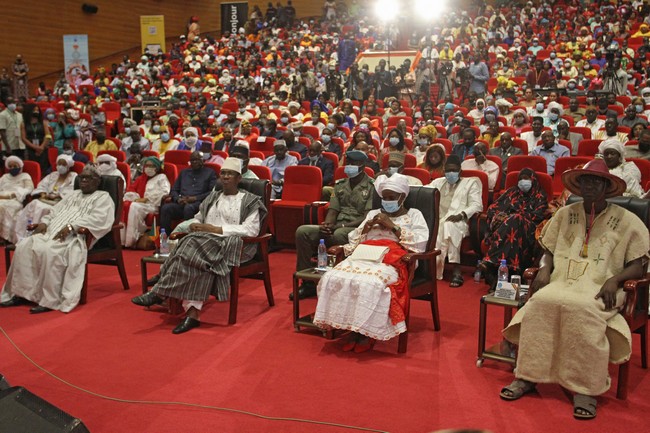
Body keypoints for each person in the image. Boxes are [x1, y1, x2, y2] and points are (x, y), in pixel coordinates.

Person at [499, 159, 649, 420]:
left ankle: (585, 389)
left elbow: (639, 264)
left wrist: (615, 280)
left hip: (603, 286)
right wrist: (544, 269)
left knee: (583, 309)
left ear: (606, 186)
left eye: (596, 181)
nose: (589, 185)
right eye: (585, 181)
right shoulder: (563, 214)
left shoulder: (628, 220)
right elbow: (547, 250)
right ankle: (528, 376)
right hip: (561, 281)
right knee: (538, 304)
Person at [131, 158, 267, 334]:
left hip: (234, 244)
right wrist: (195, 224)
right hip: (204, 244)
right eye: (223, 174)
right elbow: (198, 217)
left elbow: (252, 230)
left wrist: (215, 229)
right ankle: (192, 314)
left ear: (238, 178)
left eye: (230, 174)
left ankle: (161, 290)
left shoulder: (250, 200)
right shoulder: (213, 197)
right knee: (198, 257)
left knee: (189, 242)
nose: (225, 177)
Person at [313, 174, 429, 352]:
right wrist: (367, 228)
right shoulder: (374, 214)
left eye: (391, 198)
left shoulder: (414, 215)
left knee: (371, 283)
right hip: (364, 254)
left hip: (393, 259)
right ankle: (350, 327)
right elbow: (355, 239)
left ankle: (366, 332)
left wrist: (393, 227)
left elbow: (420, 244)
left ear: (402, 197)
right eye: (384, 198)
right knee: (332, 277)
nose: (386, 201)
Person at [0, 165, 114, 313]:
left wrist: (73, 226)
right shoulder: (73, 194)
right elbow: (54, 211)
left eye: (88, 178)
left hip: (74, 237)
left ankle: (50, 300)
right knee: (24, 246)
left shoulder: (103, 197)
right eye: (82, 178)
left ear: (97, 181)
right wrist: (44, 223)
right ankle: (21, 293)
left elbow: (100, 219)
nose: (84, 181)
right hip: (51, 232)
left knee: (50, 251)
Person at [293, 150, 374, 300]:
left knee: (338, 235)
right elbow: (333, 210)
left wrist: (340, 227)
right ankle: (308, 283)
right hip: (337, 226)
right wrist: (327, 224)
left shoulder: (371, 186)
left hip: (358, 228)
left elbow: (367, 217)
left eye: (353, 164)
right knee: (302, 231)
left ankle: (337, 283)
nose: (349, 166)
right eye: (347, 163)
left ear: (362, 166)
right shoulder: (340, 184)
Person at [478, 169, 548, 290]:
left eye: (526, 179)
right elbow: (493, 208)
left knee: (515, 219)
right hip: (507, 229)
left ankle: (491, 262)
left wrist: (514, 217)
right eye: (521, 179)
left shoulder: (539, 195)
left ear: (533, 180)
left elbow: (539, 216)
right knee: (511, 226)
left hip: (529, 230)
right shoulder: (511, 192)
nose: (523, 182)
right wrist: (500, 216)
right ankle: (502, 274)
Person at [428, 155, 483, 287]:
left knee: (450, 226)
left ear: (460, 171)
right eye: (447, 170)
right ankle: (428, 269)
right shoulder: (438, 183)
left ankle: (456, 269)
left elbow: (477, 205)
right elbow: (423, 191)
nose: (450, 173)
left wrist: (462, 214)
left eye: (453, 170)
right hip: (438, 219)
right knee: (438, 225)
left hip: (460, 221)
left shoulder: (470, 183)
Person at [15, 154, 77, 242]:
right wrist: (43, 193)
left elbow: (72, 190)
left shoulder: (73, 176)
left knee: (43, 208)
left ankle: (37, 236)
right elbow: (42, 185)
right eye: (59, 164)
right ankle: (24, 235)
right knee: (33, 203)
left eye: (63, 164)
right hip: (46, 199)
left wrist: (58, 195)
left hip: (59, 202)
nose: (60, 167)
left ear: (68, 166)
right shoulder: (53, 175)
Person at [159, 151, 217, 234]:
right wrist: (178, 199)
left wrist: (195, 198)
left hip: (199, 204)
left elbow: (212, 192)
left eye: (197, 160)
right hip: (181, 203)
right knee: (166, 208)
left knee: (188, 208)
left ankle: (187, 237)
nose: (194, 162)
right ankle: (167, 237)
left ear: (202, 160)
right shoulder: (184, 173)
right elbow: (174, 190)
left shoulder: (210, 173)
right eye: (192, 160)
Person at [122, 156, 170, 247]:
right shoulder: (141, 178)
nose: (148, 168)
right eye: (147, 165)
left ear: (157, 167)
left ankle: (132, 239)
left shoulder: (161, 177)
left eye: (151, 166)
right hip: (140, 204)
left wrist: (147, 199)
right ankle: (122, 240)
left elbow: (165, 192)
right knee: (125, 205)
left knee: (134, 207)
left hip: (152, 205)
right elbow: (131, 190)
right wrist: (134, 198)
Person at [0, 156, 34, 243]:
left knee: (2, 207)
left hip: (15, 200)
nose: (12, 168)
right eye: (10, 166)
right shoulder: (4, 177)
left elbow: (29, 188)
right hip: (1, 197)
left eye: (14, 166)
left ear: (20, 166)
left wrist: (14, 194)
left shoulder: (25, 176)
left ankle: (4, 236)